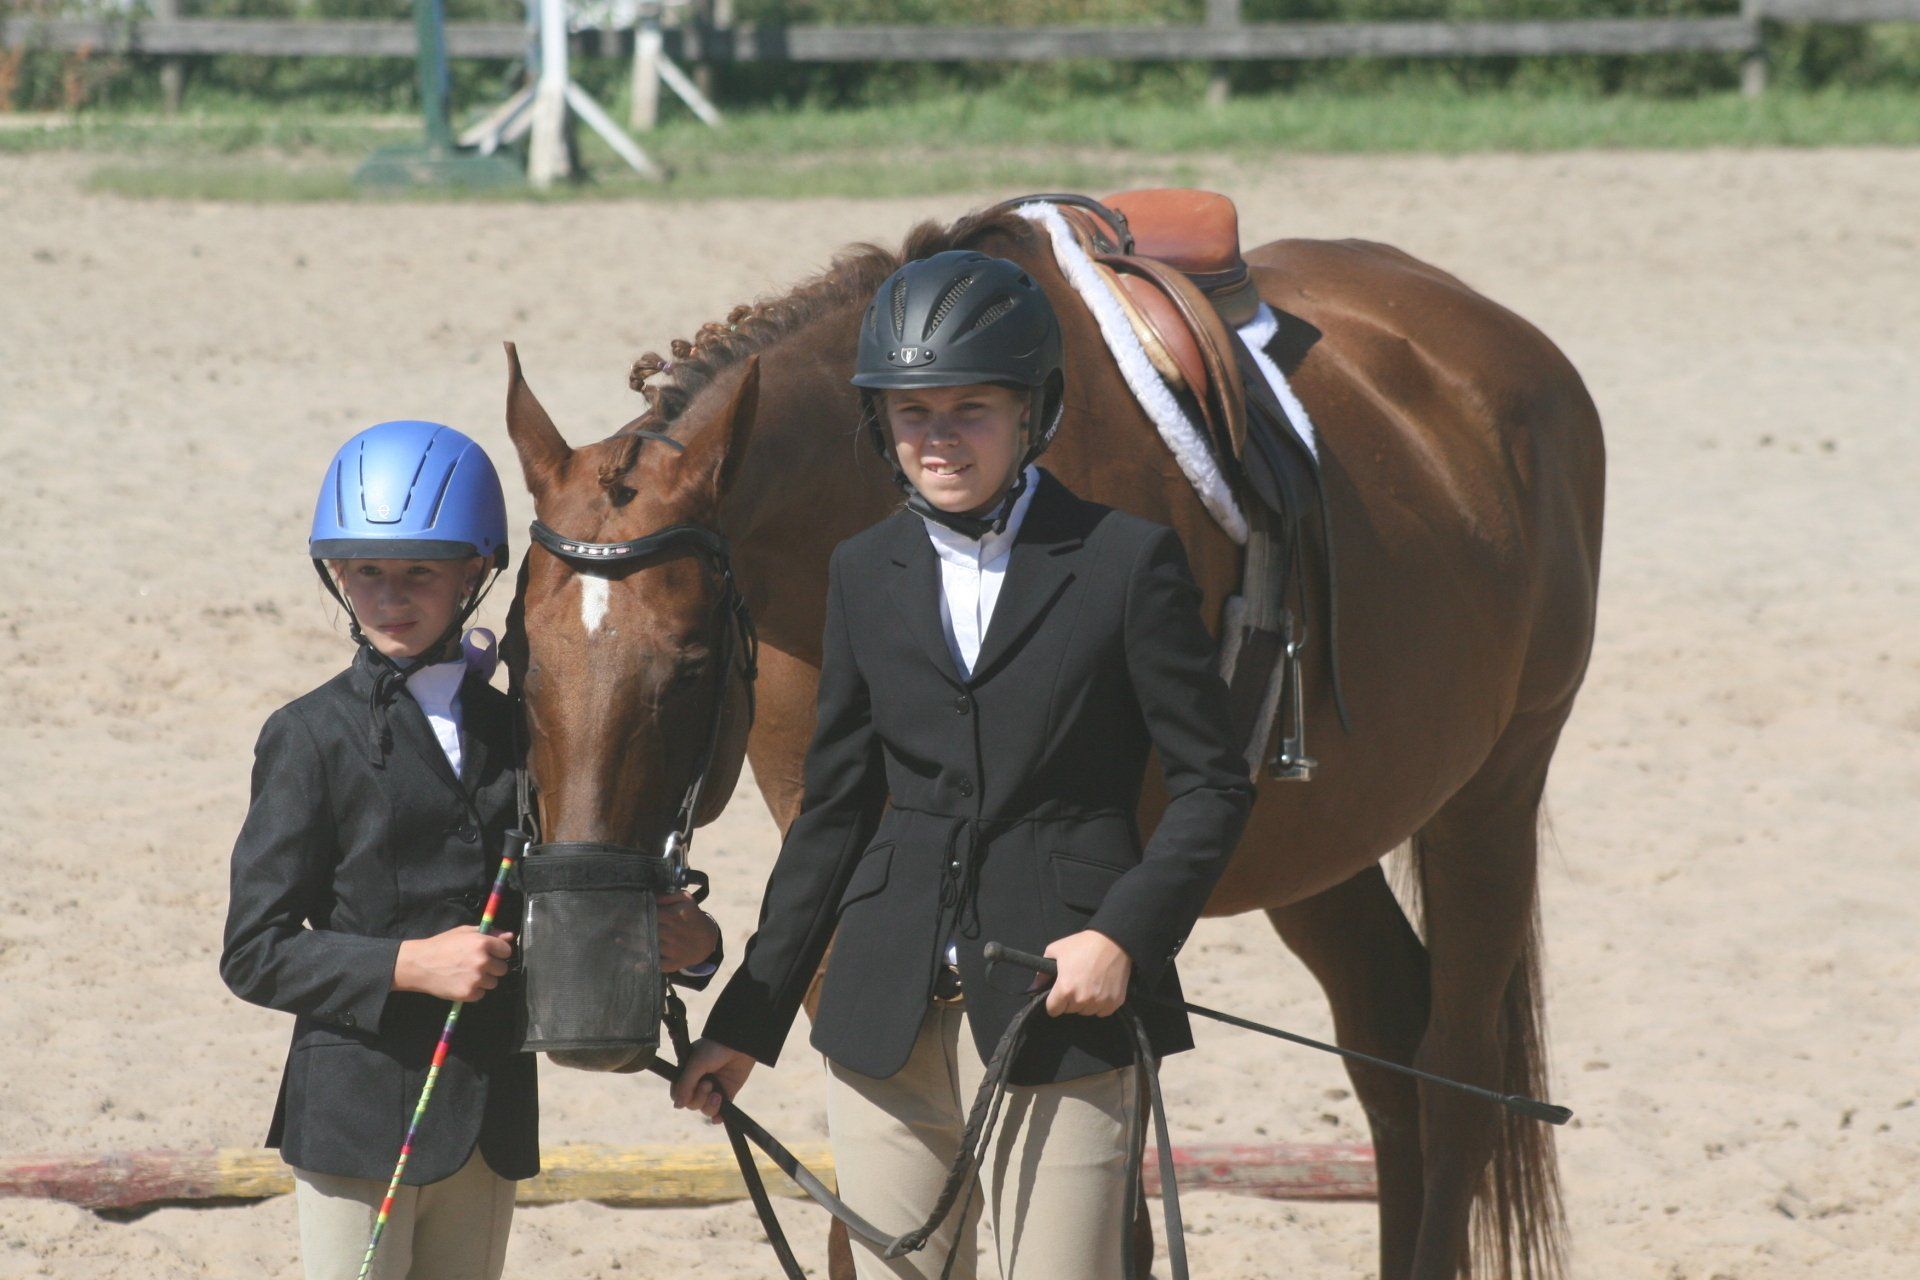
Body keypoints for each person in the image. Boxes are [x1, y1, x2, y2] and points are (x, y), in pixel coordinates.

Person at [672, 252, 1257, 1279]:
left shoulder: (1127, 562)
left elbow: (1213, 786)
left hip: (1059, 1004)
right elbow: (836, 813)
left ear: (1032, 413)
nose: (938, 437)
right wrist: (748, 1020)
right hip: (882, 1009)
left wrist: (1122, 934)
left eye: (969, 410)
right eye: (913, 412)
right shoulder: (864, 570)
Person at [221, 420, 720, 1279]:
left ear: (476, 571)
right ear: (336, 574)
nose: (390, 597)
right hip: (355, 1118)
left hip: (490, 1117)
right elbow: (254, 952)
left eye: (420, 571)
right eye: (366, 572)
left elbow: (577, 898)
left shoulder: (524, 729)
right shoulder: (307, 736)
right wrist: (408, 964)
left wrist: (693, 948)